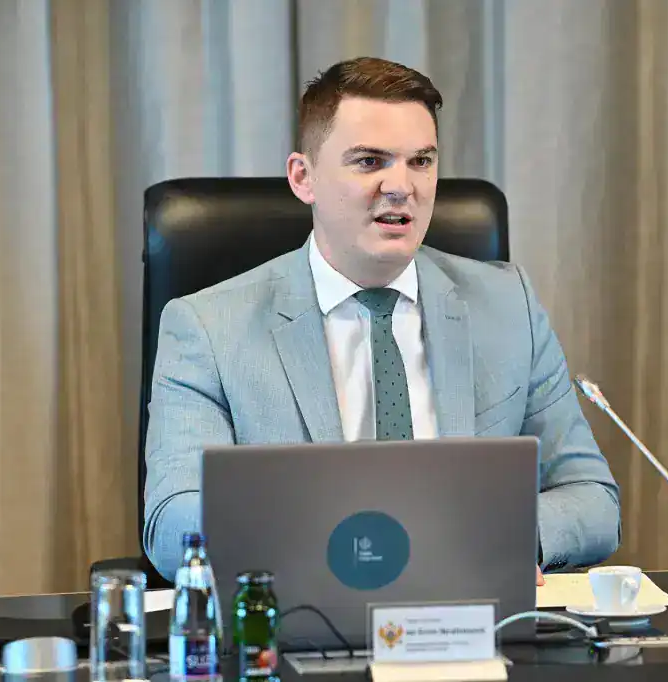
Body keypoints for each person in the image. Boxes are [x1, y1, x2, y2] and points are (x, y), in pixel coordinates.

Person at [143, 57, 621, 583]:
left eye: (421, 161)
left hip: (470, 615)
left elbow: (593, 499)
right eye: (370, 161)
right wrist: (335, 542)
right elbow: (172, 523)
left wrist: (506, 536)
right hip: (301, 616)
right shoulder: (207, 328)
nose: (401, 186)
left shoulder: (510, 307)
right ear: (304, 178)